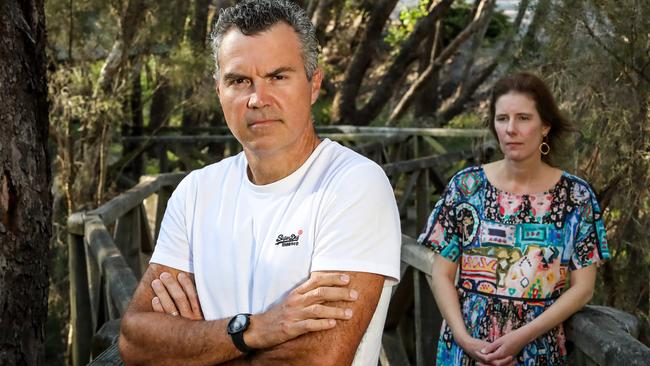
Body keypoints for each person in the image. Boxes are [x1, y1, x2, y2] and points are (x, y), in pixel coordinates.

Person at [118, 1, 401, 365]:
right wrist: (252, 330)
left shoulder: (353, 185)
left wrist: (195, 344)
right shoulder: (195, 192)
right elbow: (136, 340)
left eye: (278, 77)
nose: (258, 99)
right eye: (239, 81)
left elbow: (315, 360)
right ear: (219, 89)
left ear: (314, 85)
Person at [418, 72, 610, 366]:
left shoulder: (576, 197)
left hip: (536, 350)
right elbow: (441, 273)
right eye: (501, 118)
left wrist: (522, 337)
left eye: (523, 118)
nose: (510, 129)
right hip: (465, 350)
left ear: (545, 125)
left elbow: (583, 287)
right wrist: (464, 339)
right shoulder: (466, 187)